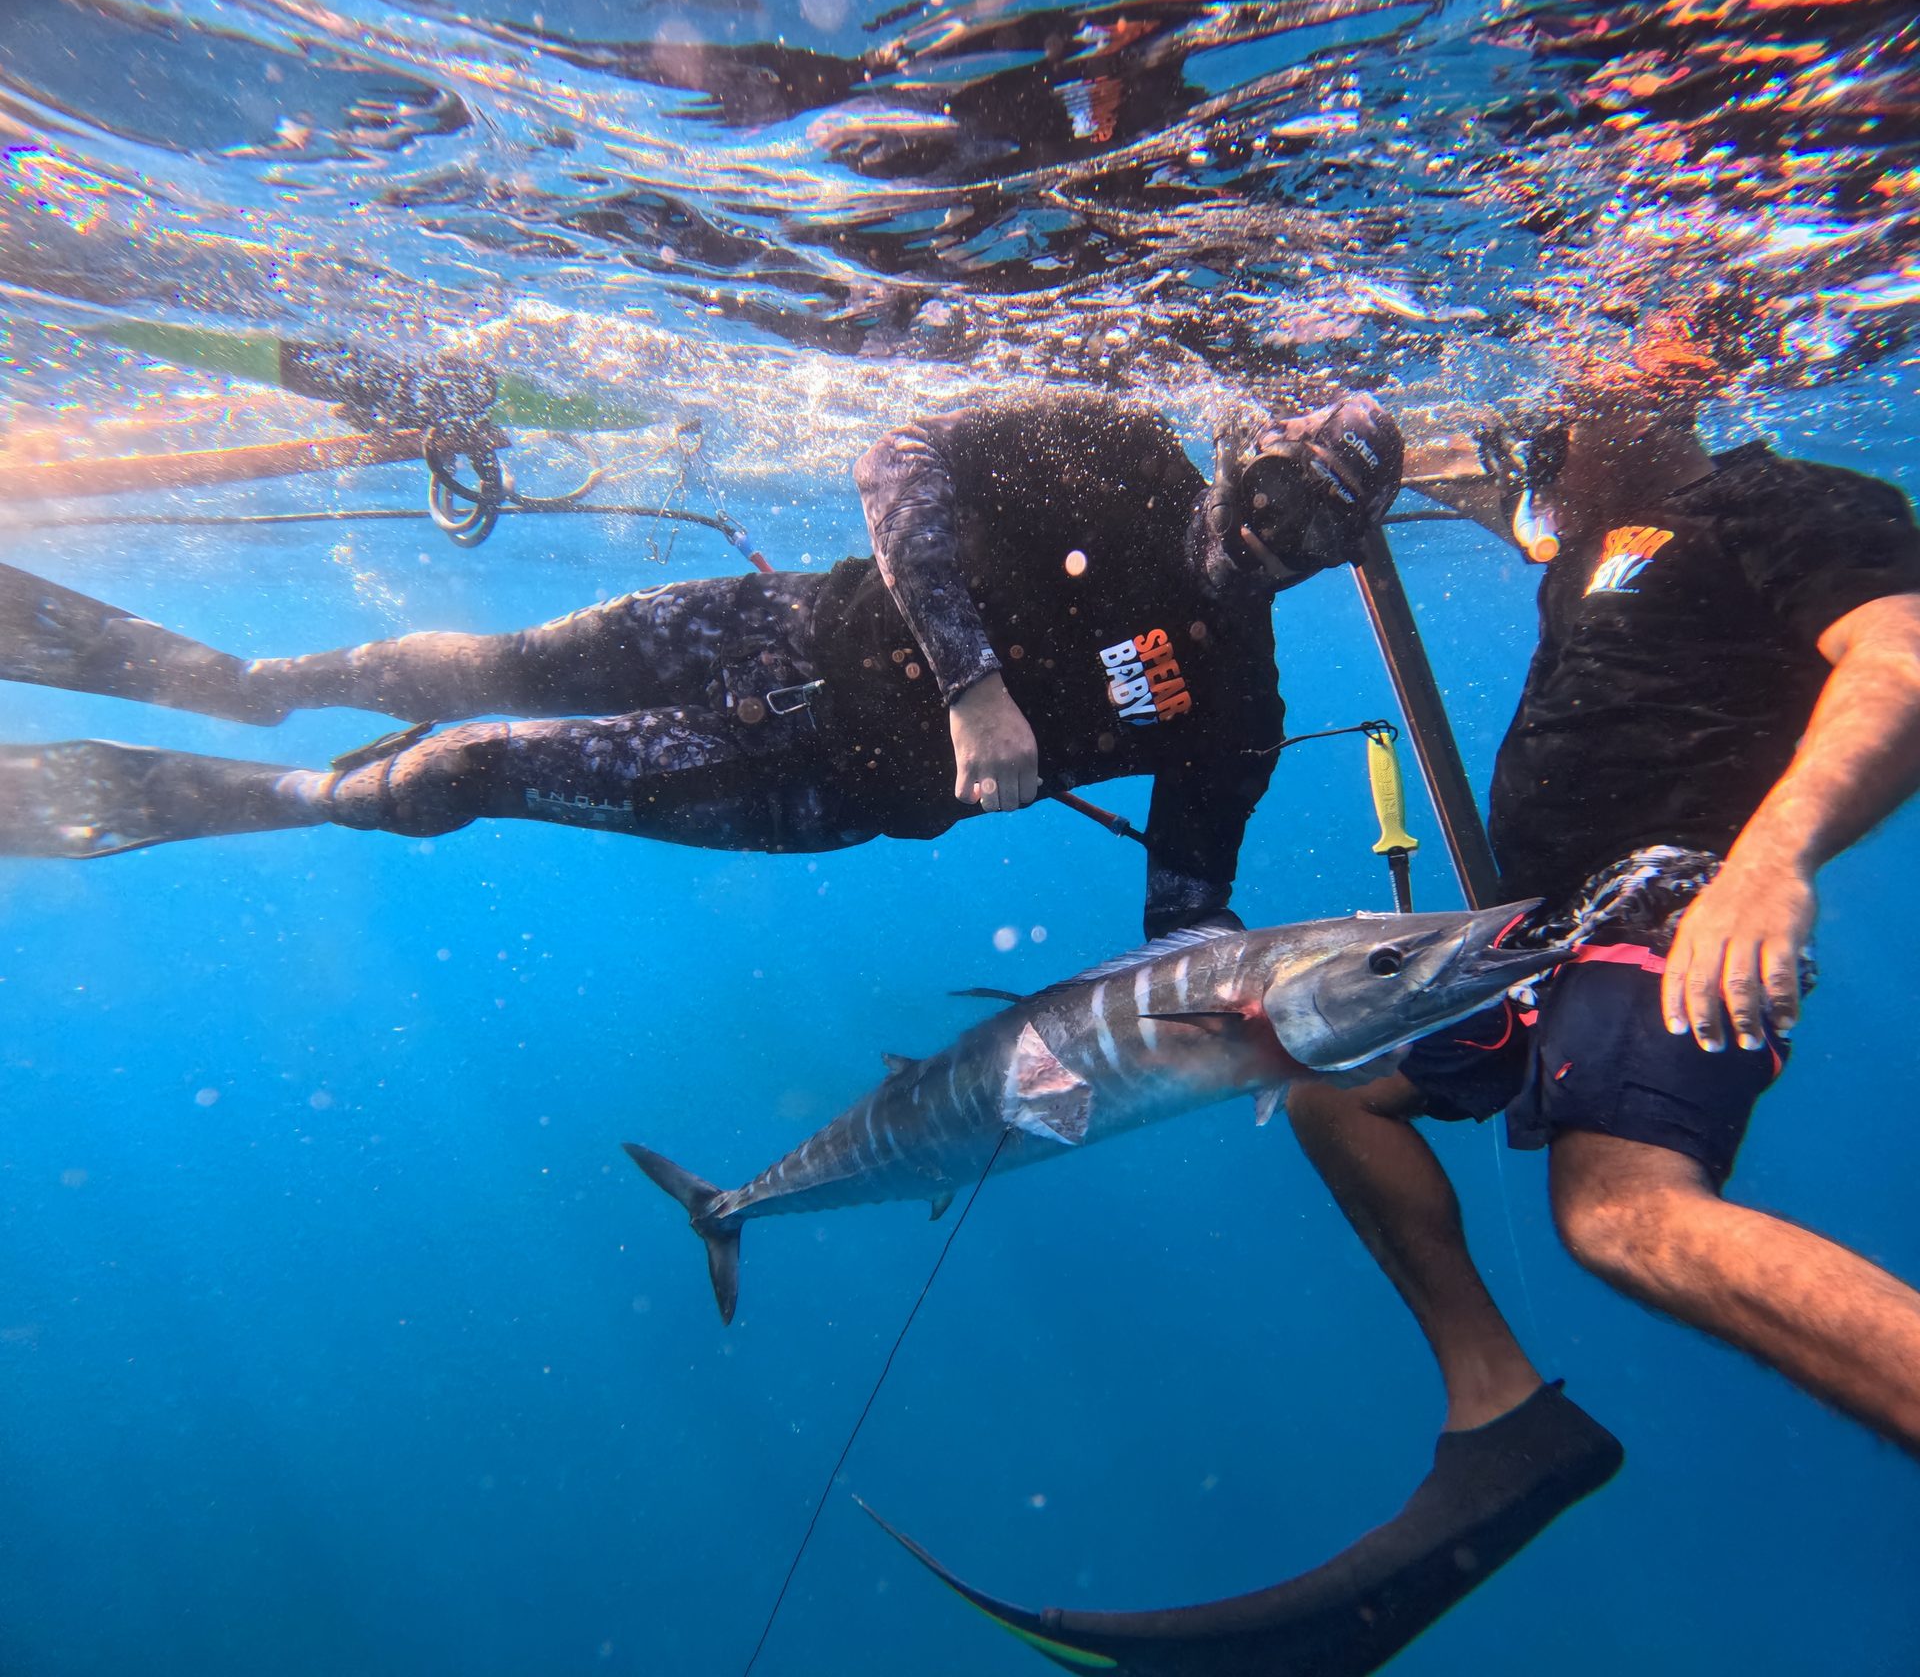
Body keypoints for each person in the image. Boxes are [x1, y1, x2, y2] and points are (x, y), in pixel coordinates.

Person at [0, 390, 1403, 937]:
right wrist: (976, 684)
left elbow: (1184, 918)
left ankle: (284, 794)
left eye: (1322, 538)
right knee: (483, 663)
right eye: (1279, 496)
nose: (1276, 540)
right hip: (779, 621)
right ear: (1246, 454)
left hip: (821, 782)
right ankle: (247, 684)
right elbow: (896, 452)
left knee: (473, 763)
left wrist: (1308, 998)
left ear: (1341, 559)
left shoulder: (1241, 709)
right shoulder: (1119, 449)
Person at [1287, 337, 1920, 1539]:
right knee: (1332, 1092)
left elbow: (1901, 659)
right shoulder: (1584, 537)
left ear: (1648, 396)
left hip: (1679, 900)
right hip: (1542, 934)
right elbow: (1487, 492)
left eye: (1552, 428)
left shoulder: (1780, 502)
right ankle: (1501, 1404)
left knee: (1622, 1211)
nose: (1530, 451)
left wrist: (1772, 862)